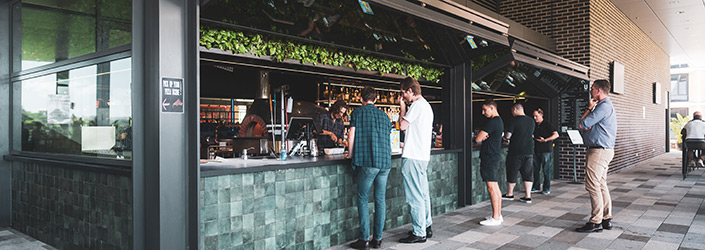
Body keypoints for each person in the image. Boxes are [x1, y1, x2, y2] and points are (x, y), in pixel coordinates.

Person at [346, 86, 392, 249]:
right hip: (384, 162)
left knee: (363, 198)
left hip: (368, 161)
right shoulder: (385, 116)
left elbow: (351, 135)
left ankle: (364, 239)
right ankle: (377, 239)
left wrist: (350, 154)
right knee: (380, 200)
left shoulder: (357, 113)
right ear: (376, 99)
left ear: (361, 99)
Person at [576, 79, 617, 233]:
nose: (590, 91)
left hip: (599, 151)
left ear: (599, 90)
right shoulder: (607, 106)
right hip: (603, 150)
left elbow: (582, 124)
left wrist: (588, 108)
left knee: (592, 185)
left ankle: (596, 221)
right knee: (600, 184)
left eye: (592, 89)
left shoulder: (603, 107)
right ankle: (606, 219)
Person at [397, 77, 434, 243]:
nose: (403, 96)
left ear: (410, 91)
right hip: (422, 156)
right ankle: (426, 225)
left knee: (414, 196)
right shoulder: (426, 106)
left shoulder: (416, 105)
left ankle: (419, 233)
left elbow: (402, 126)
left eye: (403, 93)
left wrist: (402, 108)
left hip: (413, 156)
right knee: (423, 194)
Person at [476, 100, 504, 226]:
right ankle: (498, 215)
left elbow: (478, 138)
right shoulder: (499, 121)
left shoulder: (493, 122)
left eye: (484, 109)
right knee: (495, 187)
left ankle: (495, 217)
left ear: (492, 108)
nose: (482, 112)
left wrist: (481, 137)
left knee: (492, 188)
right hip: (493, 156)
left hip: (489, 157)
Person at [502, 103, 535, 204]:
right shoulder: (531, 121)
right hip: (529, 151)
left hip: (516, 151)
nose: (512, 113)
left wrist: (504, 137)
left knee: (512, 171)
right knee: (528, 173)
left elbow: (508, 136)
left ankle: (510, 194)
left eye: (512, 111)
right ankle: (528, 196)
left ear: (515, 109)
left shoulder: (513, 120)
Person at [531, 108, 559, 195]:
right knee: (536, 169)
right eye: (534, 116)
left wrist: (546, 140)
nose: (535, 118)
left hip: (546, 150)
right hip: (536, 149)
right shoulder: (535, 125)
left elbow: (556, 135)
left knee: (546, 170)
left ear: (541, 115)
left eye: (536, 116)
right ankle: (536, 186)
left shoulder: (547, 124)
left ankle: (546, 188)